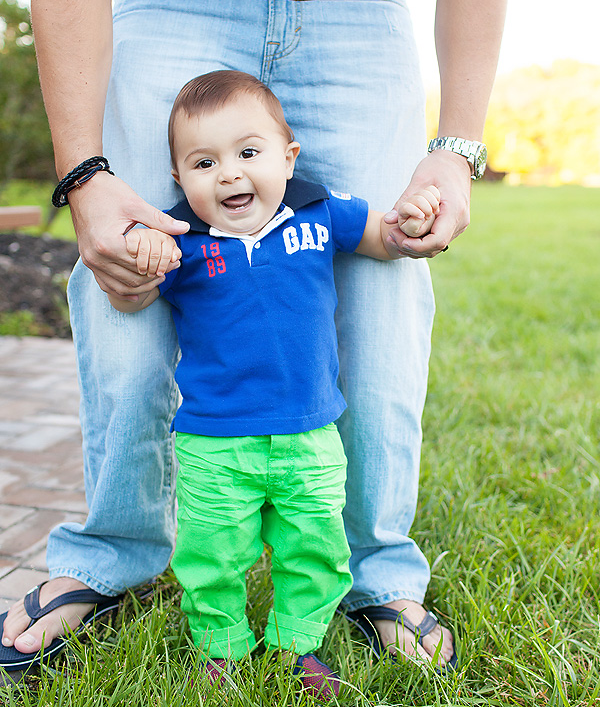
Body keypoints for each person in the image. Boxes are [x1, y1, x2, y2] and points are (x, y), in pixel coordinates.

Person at [0, 0, 507, 674]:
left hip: (356, 13)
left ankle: (378, 572)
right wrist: (84, 173)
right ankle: (114, 555)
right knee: (122, 263)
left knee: (386, 290)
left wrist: (455, 149)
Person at [104, 69, 441, 696]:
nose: (229, 174)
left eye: (249, 153)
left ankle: (297, 645)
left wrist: (410, 226)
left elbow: (387, 240)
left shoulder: (316, 213)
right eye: (204, 162)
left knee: (313, 549)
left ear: (288, 158)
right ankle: (222, 646)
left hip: (311, 436)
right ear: (180, 180)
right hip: (213, 443)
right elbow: (129, 304)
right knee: (212, 555)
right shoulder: (179, 241)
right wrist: (142, 264)